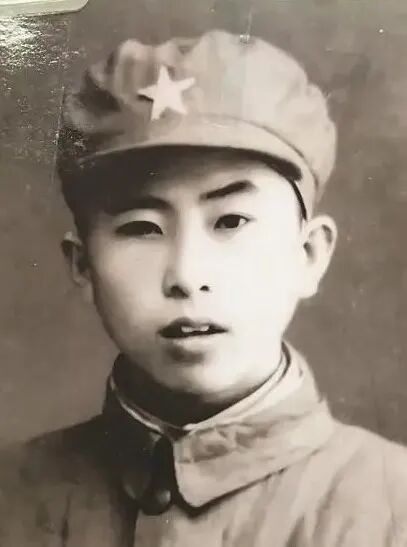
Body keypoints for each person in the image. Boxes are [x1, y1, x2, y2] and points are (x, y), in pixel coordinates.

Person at [1, 30, 407, 547]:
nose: (188, 276)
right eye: (142, 227)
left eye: (231, 220)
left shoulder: (393, 507)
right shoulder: (12, 498)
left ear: (308, 254)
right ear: (83, 265)